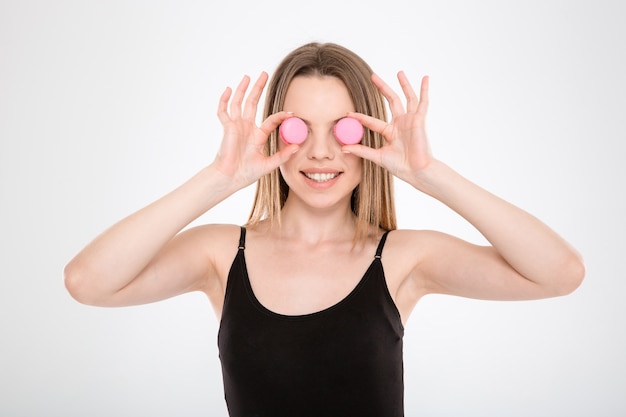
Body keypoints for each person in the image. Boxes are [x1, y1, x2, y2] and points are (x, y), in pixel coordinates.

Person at [64, 42, 585, 416]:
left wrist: (431, 175)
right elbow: (87, 281)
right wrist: (217, 180)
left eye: (344, 128)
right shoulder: (222, 254)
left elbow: (559, 273)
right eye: (297, 129)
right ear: (273, 135)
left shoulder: (402, 259)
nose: (320, 151)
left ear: (370, 134)